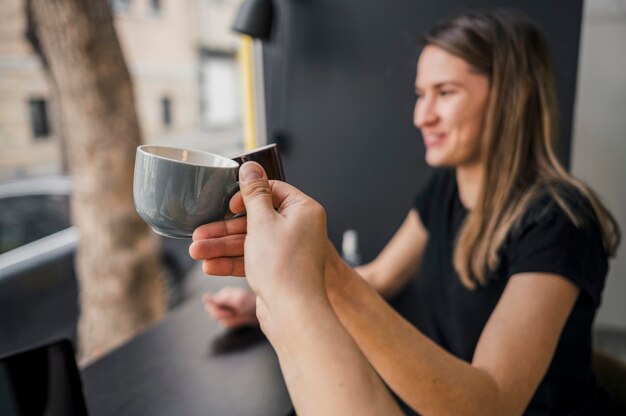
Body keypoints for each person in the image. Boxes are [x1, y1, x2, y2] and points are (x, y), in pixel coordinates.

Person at [189, 9, 621, 415]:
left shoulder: (561, 221)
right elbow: (378, 278)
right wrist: (266, 294)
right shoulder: (445, 189)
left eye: (445, 93)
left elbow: (494, 404)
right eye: (420, 95)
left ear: (511, 98)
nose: (421, 116)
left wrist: (317, 270)